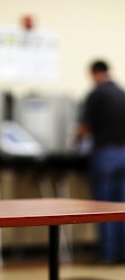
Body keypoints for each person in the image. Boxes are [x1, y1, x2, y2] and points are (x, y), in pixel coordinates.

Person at [77, 60, 125, 263]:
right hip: (124, 153)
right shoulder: (121, 93)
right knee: (121, 207)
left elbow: (84, 127)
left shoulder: (96, 94)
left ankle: (107, 254)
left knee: (103, 207)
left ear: (95, 73)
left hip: (105, 154)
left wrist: (76, 141)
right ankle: (122, 253)